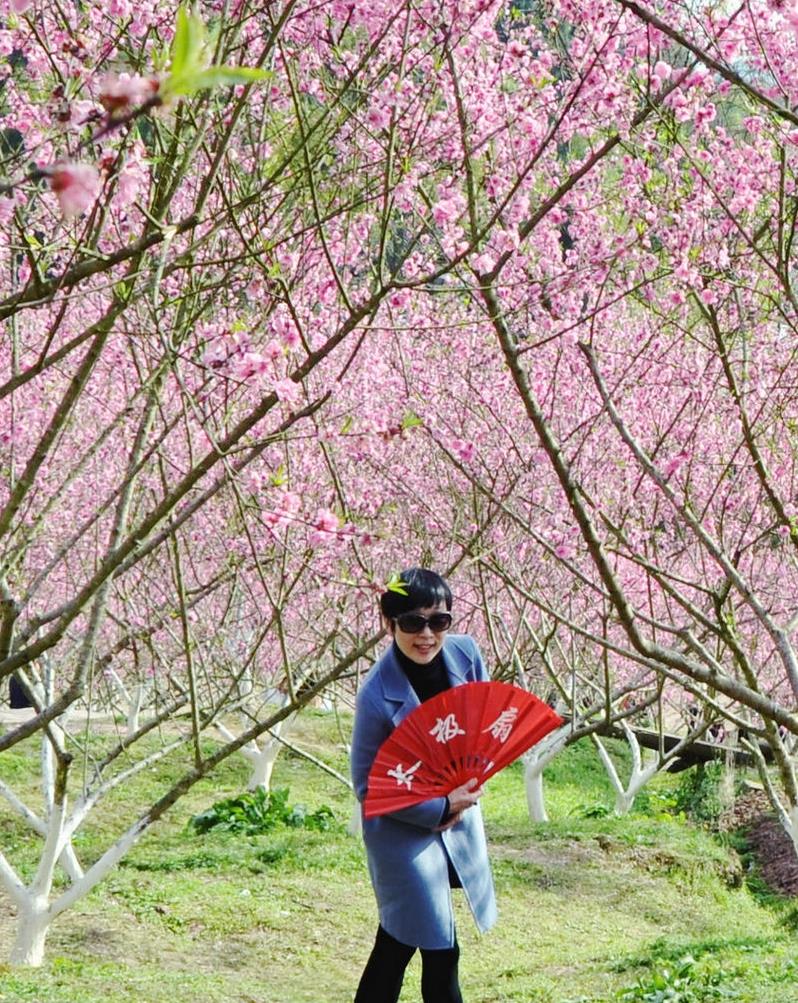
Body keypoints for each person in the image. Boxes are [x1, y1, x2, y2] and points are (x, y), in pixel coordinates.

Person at [350, 568, 497, 1003]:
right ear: (388, 624)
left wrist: (474, 775)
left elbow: (484, 721)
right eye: (412, 622)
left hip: (458, 820)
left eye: (439, 621)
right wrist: (438, 804)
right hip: (402, 833)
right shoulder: (377, 694)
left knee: (403, 943)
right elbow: (366, 785)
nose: (427, 635)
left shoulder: (466, 655)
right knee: (435, 945)